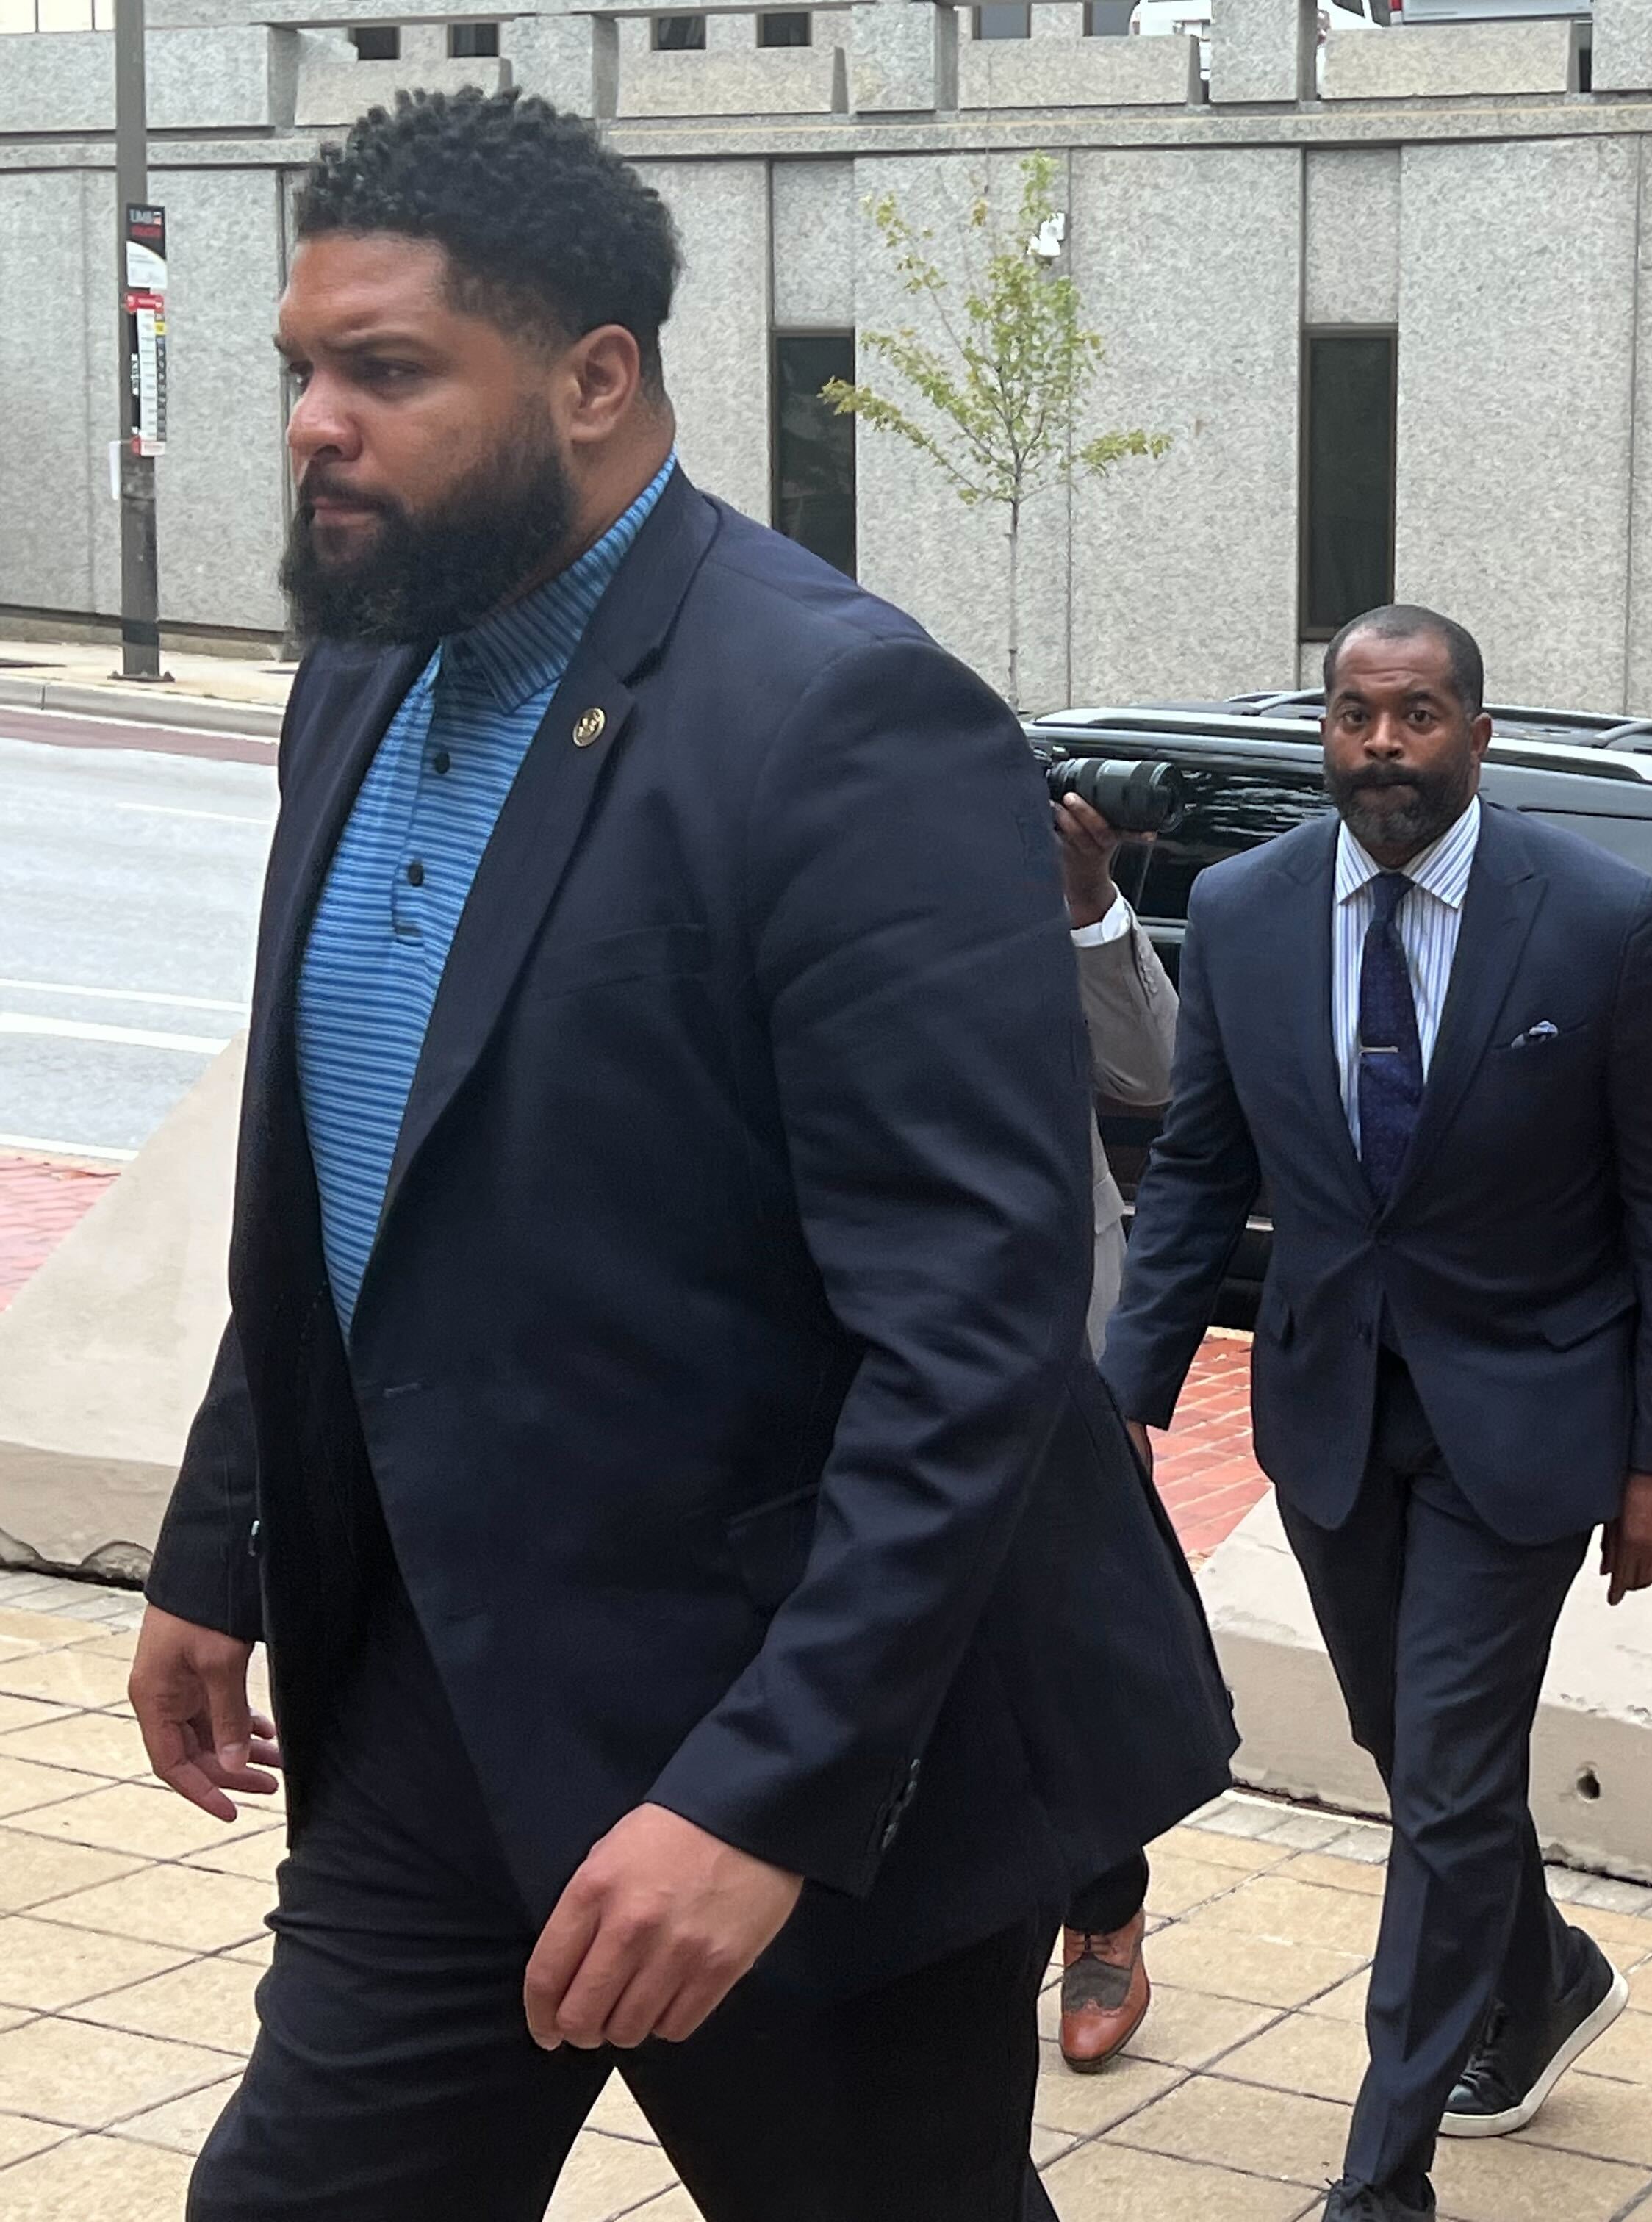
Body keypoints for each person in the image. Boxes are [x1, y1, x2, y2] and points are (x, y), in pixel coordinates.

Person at [123, 87, 1233, 2222]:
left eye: (388, 371)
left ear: (596, 378)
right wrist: (222, 1540)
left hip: (798, 1750)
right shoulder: (359, 677)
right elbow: (348, 1185)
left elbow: (977, 1332)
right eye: (302, 370)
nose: (318, 425)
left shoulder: (843, 721)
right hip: (435, 1708)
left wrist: (765, 1797)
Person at [1099, 605, 1652, 2222]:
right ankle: (1545, 1975)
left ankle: (1383, 2177)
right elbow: (1200, 1171)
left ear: (1478, 733)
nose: (1384, 745)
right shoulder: (1242, 910)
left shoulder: (1602, 921)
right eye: (1355, 716)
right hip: (1330, 1412)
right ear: (1326, 731)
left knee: (1446, 1774)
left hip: (1526, 1419)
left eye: (1419, 715)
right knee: (1412, 1751)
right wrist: (1126, 1396)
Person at [1049, 785, 1180, 2071]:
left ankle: (1102, 1912)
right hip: (844, 1314)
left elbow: (1151, 1073)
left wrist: (1086, 900)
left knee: (1070, 1637)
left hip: (1048, 1331)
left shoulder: (1026, 897)